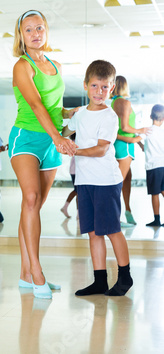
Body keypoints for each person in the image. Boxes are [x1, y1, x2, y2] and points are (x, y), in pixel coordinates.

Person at [8, 10, 77, 298]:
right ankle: (37, 272)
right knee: (31, 199)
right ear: (21, 36)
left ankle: (26, 273)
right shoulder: (21, 67)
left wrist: (75, 113)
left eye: (39, 28)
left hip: (51, 141)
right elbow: (35, 106)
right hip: (26, 139)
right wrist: (58, 136)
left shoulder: (56, 65)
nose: (35, 34)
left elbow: (53, 107)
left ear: (46, 31)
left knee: (33, 208)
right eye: (28, 30)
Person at [62, 59, 133, 297]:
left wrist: (73, 149)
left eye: (105, 87)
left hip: (105, 181)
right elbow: (65, 131)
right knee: (93, 233)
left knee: (112, 230)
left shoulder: (110, 117)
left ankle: (125, 277)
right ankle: (100, 281)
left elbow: (101, 150)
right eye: (95, 86)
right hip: (84, 181)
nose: (99, 92)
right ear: (85, 85)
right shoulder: (80, 113)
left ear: (112, 88)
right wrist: (61, 130)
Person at [111, 76, 149, 226]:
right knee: (118, 182)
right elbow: (126, 127)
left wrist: (139, 143)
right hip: (124, 146)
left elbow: (124, 127)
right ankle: (115, 216)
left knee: (126, 179)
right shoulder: (125, 102)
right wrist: (142, 131)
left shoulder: (114, 102)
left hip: (124, 145)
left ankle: (127, 211)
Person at [143, 104, 164, 227]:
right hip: (163, 165)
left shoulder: (147, 131)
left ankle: (157, 220)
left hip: (153, 166)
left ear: (150, 116)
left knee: (155, 193)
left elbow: (135, 139)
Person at [60, 134, 78, 218]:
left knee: (78, 192)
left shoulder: (75, 142)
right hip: (76, 171)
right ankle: (66, 207)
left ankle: (78, 213)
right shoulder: (76, 143)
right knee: (78, 191)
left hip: (76, 170)